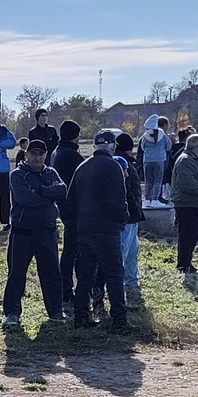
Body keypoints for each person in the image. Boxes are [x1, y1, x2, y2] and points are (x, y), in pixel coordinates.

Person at [65, 129, 129, 331]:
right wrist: (123, 218)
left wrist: (76, 224)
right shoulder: (113, 166)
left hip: (84, 229)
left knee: (86, 274)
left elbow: (70, 201)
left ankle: (80, 316)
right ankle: (119, 319)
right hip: (107, 229)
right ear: (113, 146)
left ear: (95, 146)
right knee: (114, 273)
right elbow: (117, 200)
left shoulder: (82, 168)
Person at [2, 137, 67, 327]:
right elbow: (25, 199)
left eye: (41, 154)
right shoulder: (17, 175)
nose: (37, 157)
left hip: (47, 232)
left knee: (52, 274)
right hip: (23, 233)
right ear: (26, 154)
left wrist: (40, 190)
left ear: (46, 155)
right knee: (17, 274)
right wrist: (48, 195)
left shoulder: (51, 172)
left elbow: (62, 191)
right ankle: (12, 313)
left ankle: (56, 311)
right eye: (33, 153)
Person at [169, 132, 198, 275]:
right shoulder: (186, 160)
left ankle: (186, 264)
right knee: (187, 236)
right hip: (189, 204)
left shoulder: (191, 159)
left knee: (190, 236)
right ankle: (184, 266)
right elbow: (186, 183)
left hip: (193, 204)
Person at [53, 119, 84, 302]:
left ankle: (70, 286)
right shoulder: (72, 156)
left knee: (72, 249)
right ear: (75, 136)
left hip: (63, 205)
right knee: (72, 250)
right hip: (74, 207)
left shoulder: (58, 151)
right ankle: (66, 289)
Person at [113, 130, 145, 304]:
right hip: (128, 217)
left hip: (133, 217)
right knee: (123, 253)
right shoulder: (121, 163)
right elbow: (127, 190)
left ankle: (132, 283)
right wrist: (134, 208)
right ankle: (119, 287)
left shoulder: (122, 160)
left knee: (132, 251)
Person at [138, 120, 172, 204]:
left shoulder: (145, 135)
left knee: (148, 181)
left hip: (147, 160)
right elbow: (169, 147)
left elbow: (142, 147)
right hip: (159, 160)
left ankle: (147, 199)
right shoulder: (162, 134)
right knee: (158, 181)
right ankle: (155, 200)